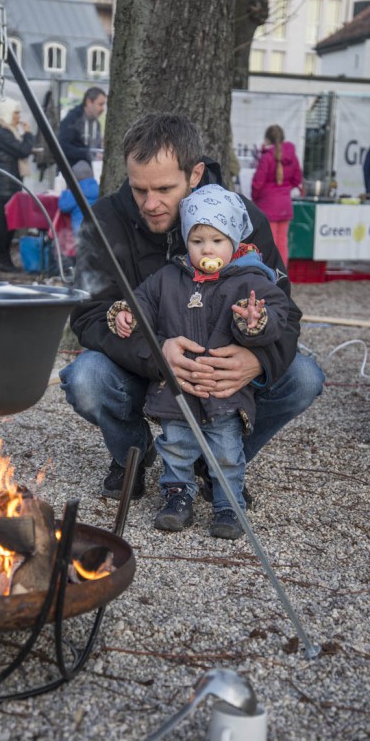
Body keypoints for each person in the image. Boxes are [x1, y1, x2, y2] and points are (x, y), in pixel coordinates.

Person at [59, 112, 324, 507]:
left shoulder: (242, 218)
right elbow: (89, 315)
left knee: (303, 377)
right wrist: (155, 353)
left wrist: (258, 359)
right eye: (139, 189)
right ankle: (133, 453)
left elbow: (285, 311)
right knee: (85, 379)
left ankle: (216, 465)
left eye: (164, 189)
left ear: (195, 173)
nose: (150, 203)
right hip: (142, 368)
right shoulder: (105, 220)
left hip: (224, 378)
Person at [106, 184, 289, 538]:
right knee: (175, 445)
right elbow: (144, 299)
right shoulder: (170, 277)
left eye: (217, 241)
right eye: (197, 240)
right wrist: (128, 312)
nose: (207, 249)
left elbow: (278, 314)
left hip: (223, 392)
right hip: (177, 390)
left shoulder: (250, 281)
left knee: (226, 451)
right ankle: (177, 496)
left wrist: (255, 323)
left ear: (233, 242)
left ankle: (228, 505)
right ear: (186, 242)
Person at [0, 98, 35, 272]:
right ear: (7, 113)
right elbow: (22, 150)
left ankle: (4, 260)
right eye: (16, 113)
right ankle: (3, 261)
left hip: (9, 181)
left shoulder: (5, 130)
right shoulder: (2, 132)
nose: (19, 116)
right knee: (6, 223)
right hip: (6, 183)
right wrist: (28, 134)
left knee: (7, 222)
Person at [251, 124, 303, 268]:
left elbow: (257, 183)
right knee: (282, 243)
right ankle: (282, 273)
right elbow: (297, 179)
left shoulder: (266, 157)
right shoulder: (292, 157)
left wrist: (255, 198)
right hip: (285, 205)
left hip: (267, 206)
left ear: (267, 139)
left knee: (269, 243)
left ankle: (269, 273)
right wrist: (284, 190)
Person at [58, 87, 107, 167]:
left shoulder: (96, 124)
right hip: (71, 169)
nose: (102, 109)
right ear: (89, 102)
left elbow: (95, 146)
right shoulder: (72, 120)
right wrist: (87, 153)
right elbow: (63, 147)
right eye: (100, 104)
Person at [57, 160, 100, 242]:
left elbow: (64, 206)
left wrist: (65, 191)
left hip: (80, 229)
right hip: (98, 228)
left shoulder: (76, 191)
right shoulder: (98, 188)